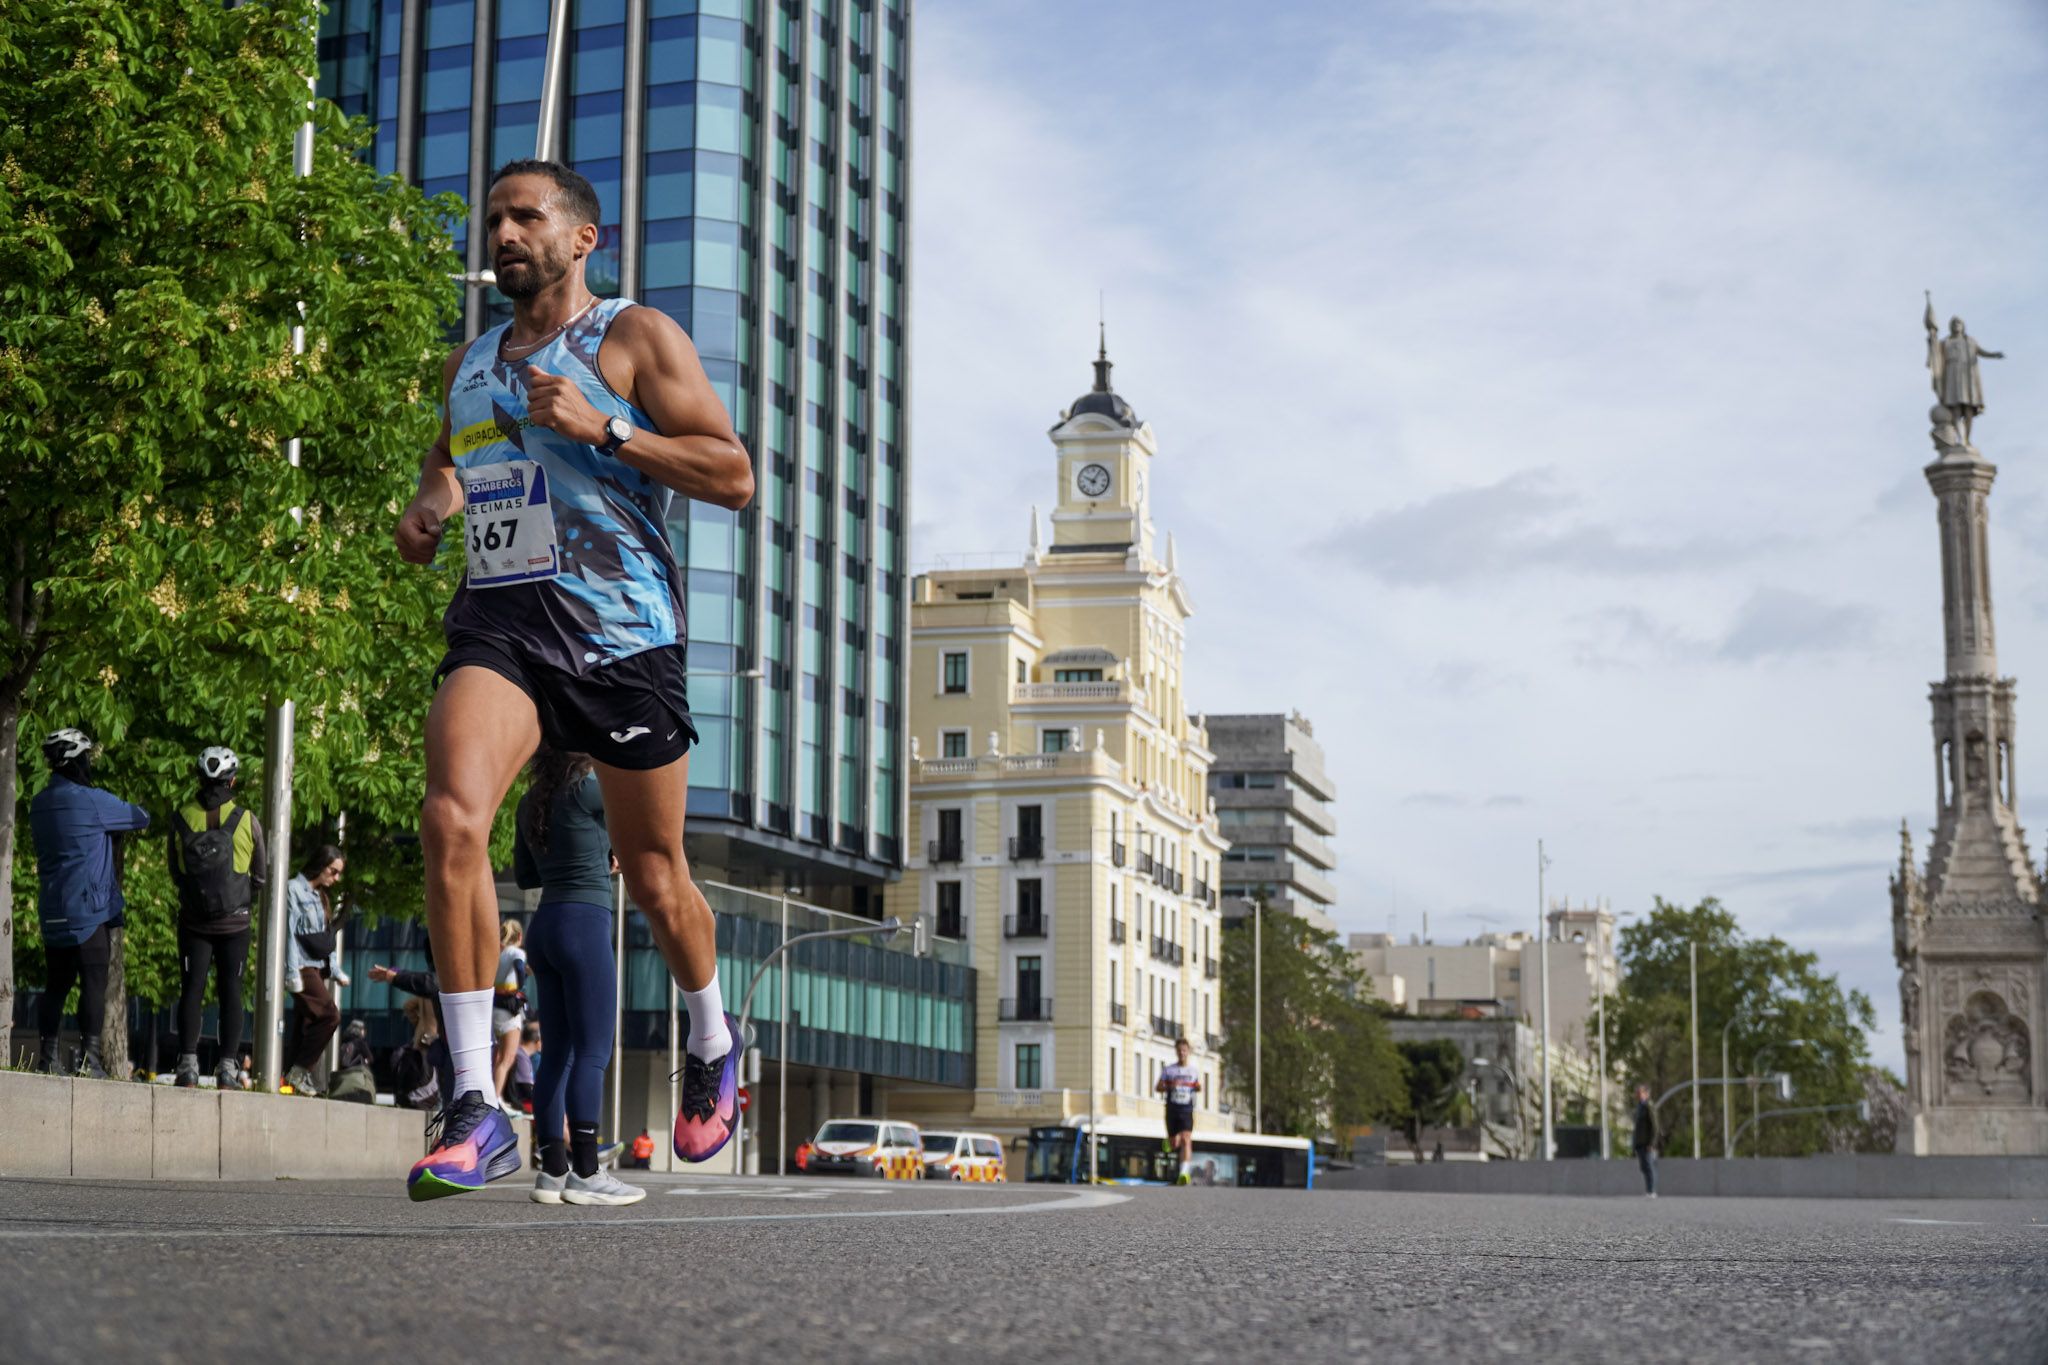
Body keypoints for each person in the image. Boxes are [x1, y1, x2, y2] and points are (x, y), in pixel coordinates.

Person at [392, 158, 753, 1200]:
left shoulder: (633, 337)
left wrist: (607, 427)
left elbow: (732, 474)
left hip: (621, 636)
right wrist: (432, 503)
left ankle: (711, 1036)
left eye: (525, 216)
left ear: (581, 237)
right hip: (503, 623)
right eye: (494, 219)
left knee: (654, 872)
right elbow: (449, 457)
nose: (503, 233)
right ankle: (475, 1103)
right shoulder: (470, 363)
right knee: (451, 817)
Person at [516, 746, 643, 1207]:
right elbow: (637, 830)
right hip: (584, 922)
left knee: (556, 1056)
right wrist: (609, 854)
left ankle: (552, 1170)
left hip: (544, 926)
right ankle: (587, 1171)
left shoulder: (530, 801)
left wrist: (592, 852)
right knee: (593, 1051)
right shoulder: (590, 790)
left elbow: (525, 875)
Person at [28, 727, 151, 1078]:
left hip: (53, 910)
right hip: (88, 910)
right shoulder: (92, 800)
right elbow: (140, 816)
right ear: (77, 761)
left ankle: (47, 1057)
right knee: (94, 983)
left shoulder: (39, 803)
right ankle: (89, 1059)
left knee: (55, 985)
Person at [165, 745, 268, 1090]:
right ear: (232, 780)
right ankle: (226, 1069)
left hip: (193, 922)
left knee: (191, 990)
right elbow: (261, 876)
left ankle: (187, 1067)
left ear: (199, 778)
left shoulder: (181, 817)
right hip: (235, 923)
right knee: (231, 992)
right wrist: (240, 899)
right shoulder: (247, 819)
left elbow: (175, 871)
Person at [282, 844, 347, 1096]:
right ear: (321, 865)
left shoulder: (320, 896)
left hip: (317, 967)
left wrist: (336, 970)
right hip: (301, 965)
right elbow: (288, 933)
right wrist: (292, 972)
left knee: (305, 1024)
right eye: (333, 871)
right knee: (330, 1015)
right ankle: (298, 1072)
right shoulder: (293, 890)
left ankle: (290, 1080)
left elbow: (324, 939)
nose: (336, 878)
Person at [490, 919, 531, 1110]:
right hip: (509, 1010)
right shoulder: (517, 952)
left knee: (498, 1056)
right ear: (520, 936)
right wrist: (520, 985)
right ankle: (496, 1097)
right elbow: (519, 967)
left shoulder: (499, 954)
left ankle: (494, 1094)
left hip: (495, 1006)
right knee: (507, 1057)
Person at [1154, 1038, 1202, 1185]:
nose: (1182, 1053)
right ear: (1176, 1052)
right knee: (1175, 1143)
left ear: (1188, 1052)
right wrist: (1170, 1086)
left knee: (1187, 1139)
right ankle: (1171, 1141)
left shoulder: (1193, 1071)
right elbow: (1158, 1087)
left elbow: (1198, 1087)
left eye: (1184, 1050)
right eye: (1179, 1050)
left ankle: (1184, 1173)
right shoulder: (1169, 1070)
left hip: (1186, 1109)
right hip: (1172, 1109)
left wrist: (1197, 1087)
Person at [1632, 1083, 1660, 1198]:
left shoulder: (1649, 1106)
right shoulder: (1639, 1107)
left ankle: (1652, 1191)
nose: (1638, 1095)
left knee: (1649, 1166)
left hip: (1647, 1143)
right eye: (1637, 1093)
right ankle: (1648, 1190)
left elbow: (1655, 1126)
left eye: (1640, 1093)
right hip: (1640, 1142)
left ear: (1646, 1094)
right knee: (1643, 1167)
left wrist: (1652, 1143)